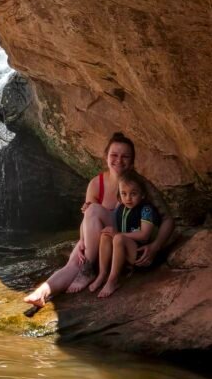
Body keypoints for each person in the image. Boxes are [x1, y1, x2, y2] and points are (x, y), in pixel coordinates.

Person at [23, 131, 175, 311]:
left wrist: (156, 245)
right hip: (99, 245)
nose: (119, 160)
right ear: (106, 157)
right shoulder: (96, 184)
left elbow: (168, 219)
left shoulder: (140, 186)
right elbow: (88, 219)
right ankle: (42, 293)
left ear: (133, 161)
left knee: (93, 210)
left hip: (123, 243)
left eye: (125, 156)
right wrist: (82, 240)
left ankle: (88, 270)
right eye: (114, 155)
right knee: (74, 262)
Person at [88, 170, 157, 297]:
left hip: (140, 255)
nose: (128, 198)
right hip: (125, 253)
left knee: (118, 238)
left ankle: (113, 280)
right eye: (124, 194)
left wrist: (118, 234)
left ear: (142, 195)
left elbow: (145, 235)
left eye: (133, 194)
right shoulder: (121, 207)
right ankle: (103, 274)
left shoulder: (146, 209)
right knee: (106, 235)